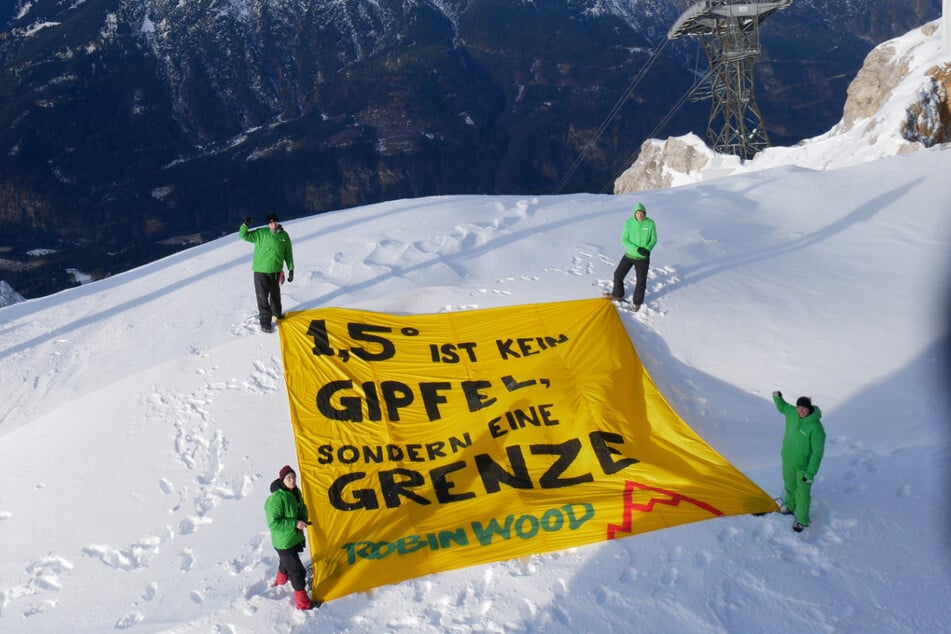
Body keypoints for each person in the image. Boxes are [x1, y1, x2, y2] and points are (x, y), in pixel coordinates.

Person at [772, 391, 826, 532]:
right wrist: (777, 397)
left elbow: (817, 454)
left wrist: (810, 473)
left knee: (802, 493)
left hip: (804, 467)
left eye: (804, 409)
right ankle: (790, 507)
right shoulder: (792, 413)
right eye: (799, 408)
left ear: (810, 408)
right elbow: (782, 407)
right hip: (788, 460)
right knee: (789, 486)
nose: (801, 411)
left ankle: (802, 520)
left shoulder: (816, 428)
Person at [265, 464, 312, 610]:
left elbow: (302, 506)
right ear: (282, 480)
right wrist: (294, 523)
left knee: (286, 563)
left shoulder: (295, 491)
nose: (292, 480)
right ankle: (303, 604)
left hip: (292, 538)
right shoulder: (277, 498)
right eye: (288, 478)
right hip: (283, 542)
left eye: (293, 477)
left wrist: (303, 518)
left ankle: (280, 581)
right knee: (297, 572)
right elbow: (273, 524)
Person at [239, 214, 294, 333]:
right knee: (262, 296)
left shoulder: (284, 236)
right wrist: (245, 225)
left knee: (275, 294)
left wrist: (291, 269)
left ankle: (277, 314)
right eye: (270, 223)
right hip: (261, 271)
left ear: (278, 222)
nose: (273, 225)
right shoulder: (261, 233)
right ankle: (265, 322)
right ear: (267, 224)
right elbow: (243, 235)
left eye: (274, 222)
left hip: (275, 271)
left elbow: (288, 254)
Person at [605, 202, 657, 312]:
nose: (640, 215)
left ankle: (637, 303)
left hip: (643, 258)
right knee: (618, 274)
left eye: (641, 213)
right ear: (634, 213)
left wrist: (647, 249)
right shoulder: (628, 223)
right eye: (638, 213)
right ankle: (618, 295)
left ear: (644, 213)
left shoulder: (650, 223)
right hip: (629, 255)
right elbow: (624, 239)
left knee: (640, 281)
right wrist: (636, 249)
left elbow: (653, 239)